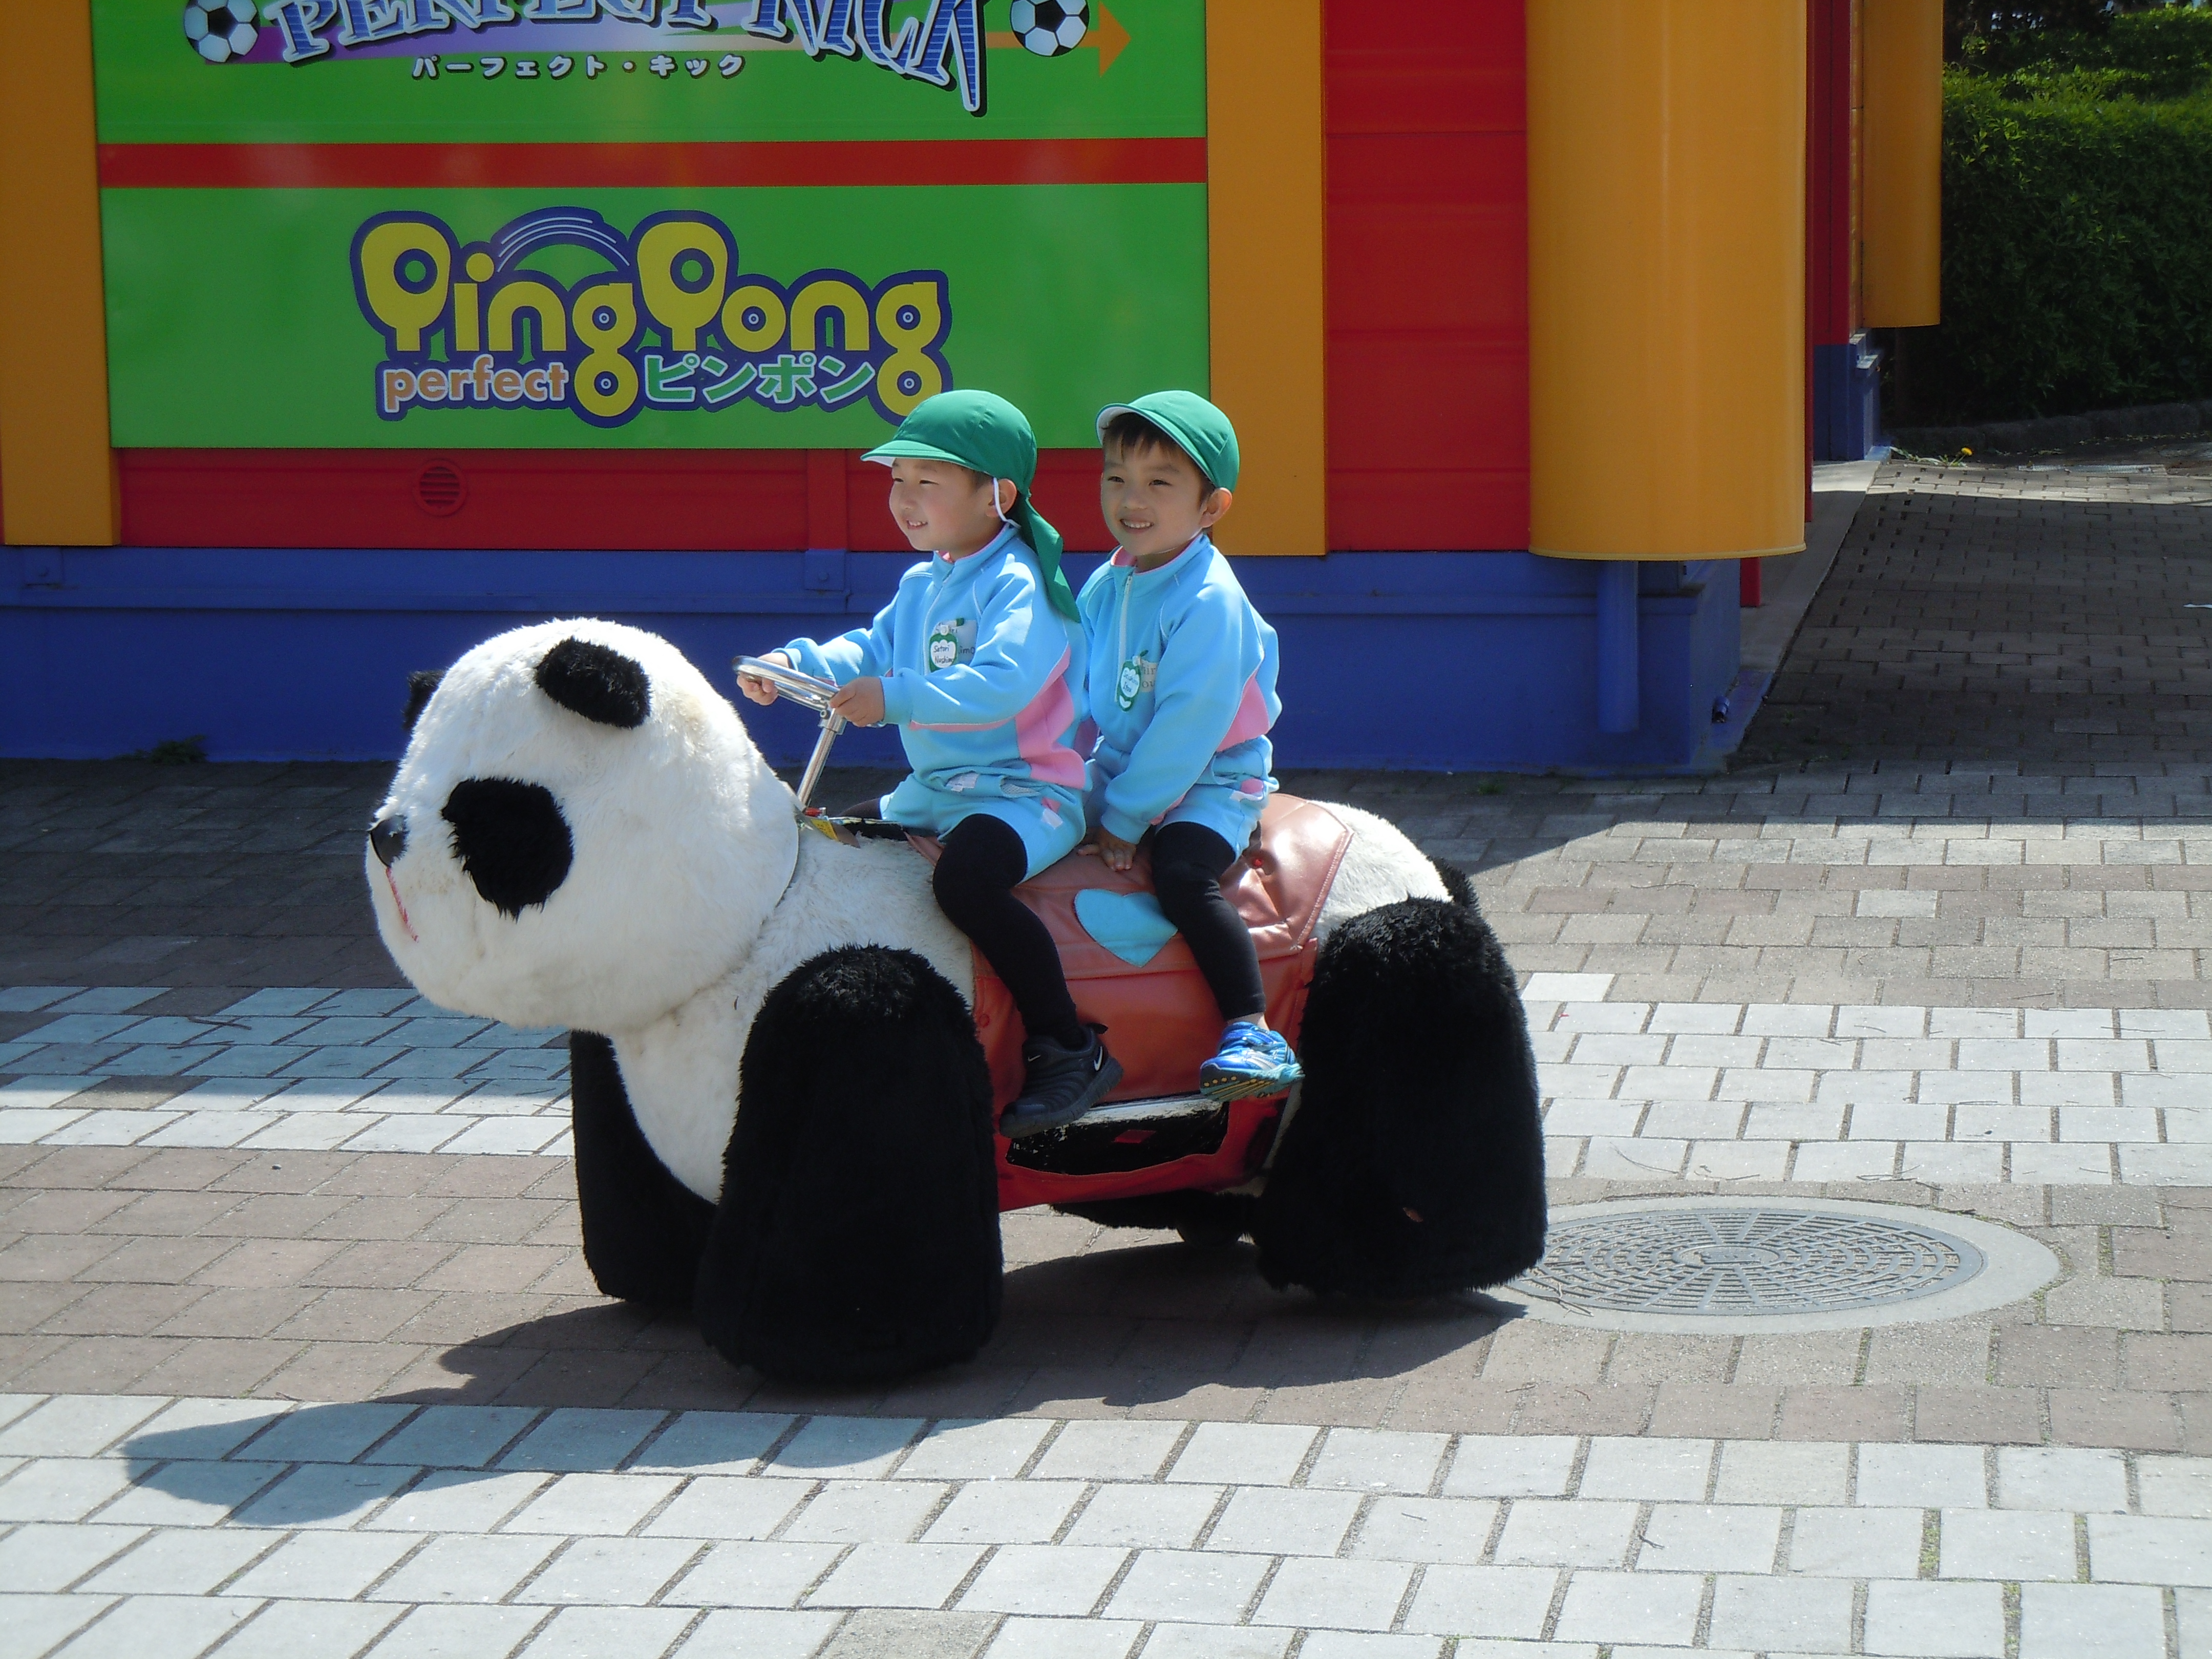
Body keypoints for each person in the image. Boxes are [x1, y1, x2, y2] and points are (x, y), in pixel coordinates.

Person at [738, 390, 1121, 1135]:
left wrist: (895, 697)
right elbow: (871, 649)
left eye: (927, 482)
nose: (902, 498)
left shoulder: (1021, 584)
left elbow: (1005, 681)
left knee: (965, 881)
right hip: (939, 789)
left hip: (1025, 792)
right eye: (896, 479)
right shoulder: (925, 582)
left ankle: (1070, 1047)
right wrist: (795, 663)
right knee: (836, 843)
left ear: (997, 495)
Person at [1076, 391, 1301, 1103]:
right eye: (1117, 477)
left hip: (1211, 778)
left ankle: (1251, 1027)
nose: (1131, 499)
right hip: (1122, 762)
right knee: (1023, 816)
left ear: (1211, 508)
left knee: (1181, 875)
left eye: (1159, 483)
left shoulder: (1210, 600)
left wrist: (1125, 817)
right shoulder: (1109, 582)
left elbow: (1188, 728)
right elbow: (1060, 674)